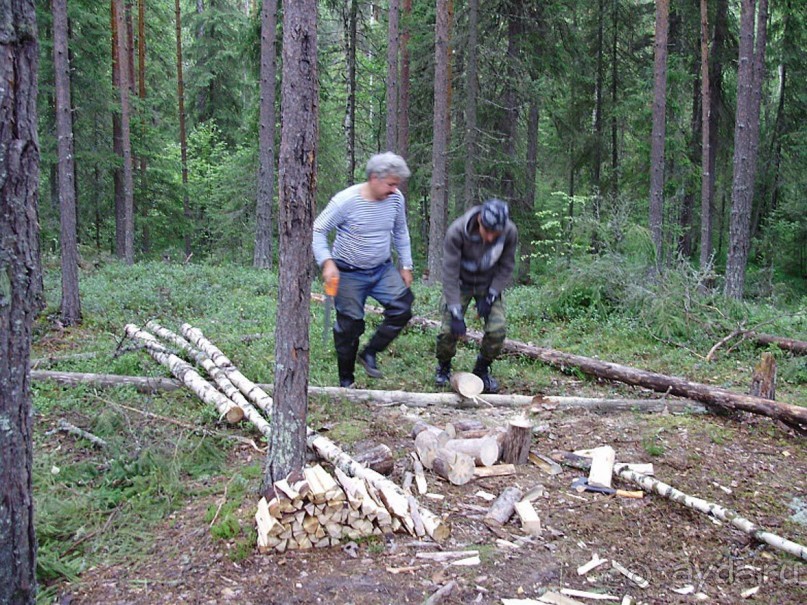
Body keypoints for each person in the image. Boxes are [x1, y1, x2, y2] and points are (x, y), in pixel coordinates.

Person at [313, 152, 415, 388]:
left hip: (381, 269)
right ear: (373, 178)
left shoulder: (396, 199)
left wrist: (406, 265)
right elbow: (318, 229)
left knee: (402, 307)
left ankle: (370, 353)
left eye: (396, 184)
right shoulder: (345, 201)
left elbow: (401, 231)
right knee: (349, 326)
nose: (394, 189)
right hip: (347, 272)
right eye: (390, 184)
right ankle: (346, 380)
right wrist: (327, 262)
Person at [435, 198, 518, 394]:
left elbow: (506, 266)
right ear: (480, 220)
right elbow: (449, 273)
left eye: (494, 234)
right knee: (448, 330)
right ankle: (444, 366)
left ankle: (481, 369)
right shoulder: (457, 231)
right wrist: (455, 312)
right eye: (487, 231)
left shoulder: (509, 232)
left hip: (488, 284)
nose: (490, 238)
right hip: (460, 283)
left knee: (497, 330)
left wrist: (490, 296)